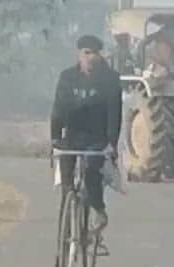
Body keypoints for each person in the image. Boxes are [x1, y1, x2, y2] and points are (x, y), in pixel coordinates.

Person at [50, 34, 122, 234]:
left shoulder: (110, 79)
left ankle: (98, 211)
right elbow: (58, 110)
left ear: (100, 55)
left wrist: (112, 144)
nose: (91, 57)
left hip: (96, 139)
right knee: (67, 188)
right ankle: (62, 246)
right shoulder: (67, 77)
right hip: (72, 137)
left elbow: (114, 114)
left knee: (92, 176)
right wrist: (55, 139)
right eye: (87, 53)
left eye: (95, 53)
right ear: (79, 55)